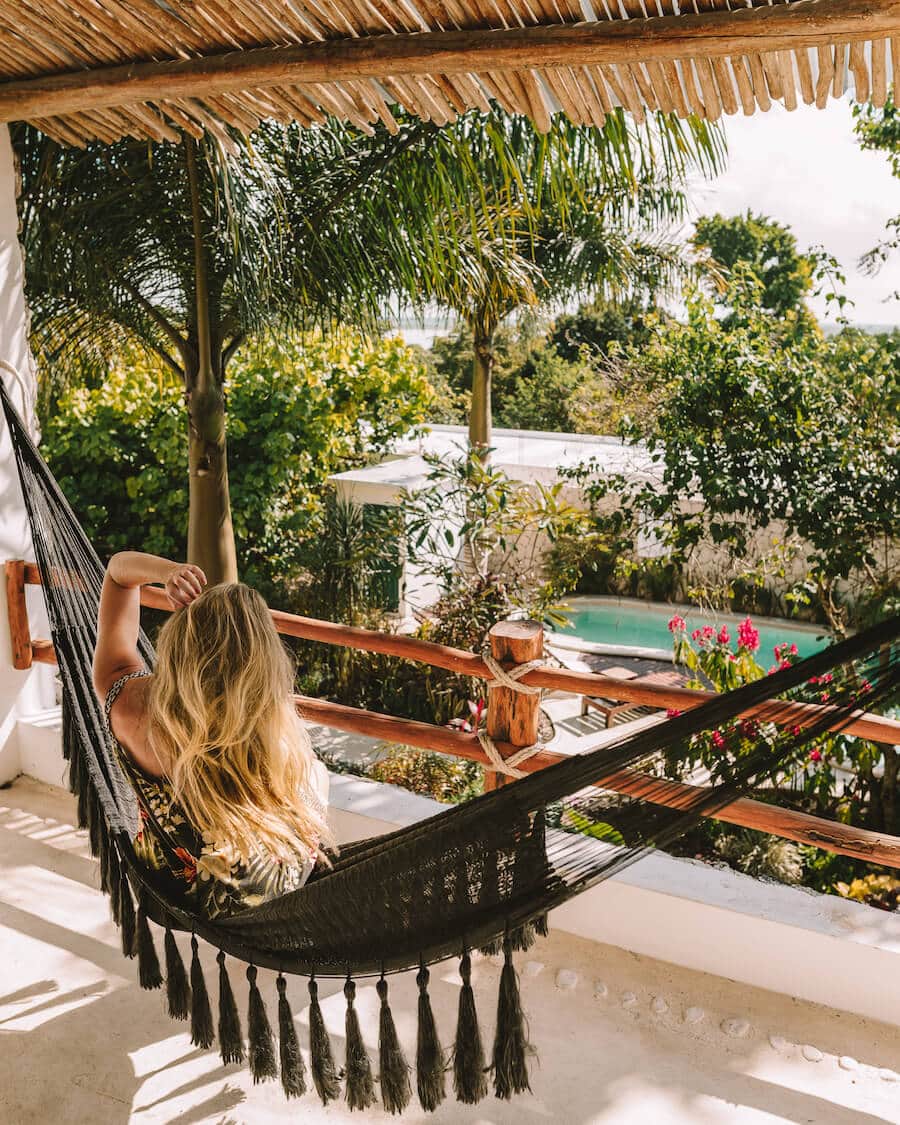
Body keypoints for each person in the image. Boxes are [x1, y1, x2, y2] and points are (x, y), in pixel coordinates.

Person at [92, 551, 331, 919]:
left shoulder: (130, 707)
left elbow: (118, 573)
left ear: (178, 646)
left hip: (173, 888)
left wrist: (169, 573)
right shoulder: (266, 729)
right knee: (314, 771)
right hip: (262, 893)